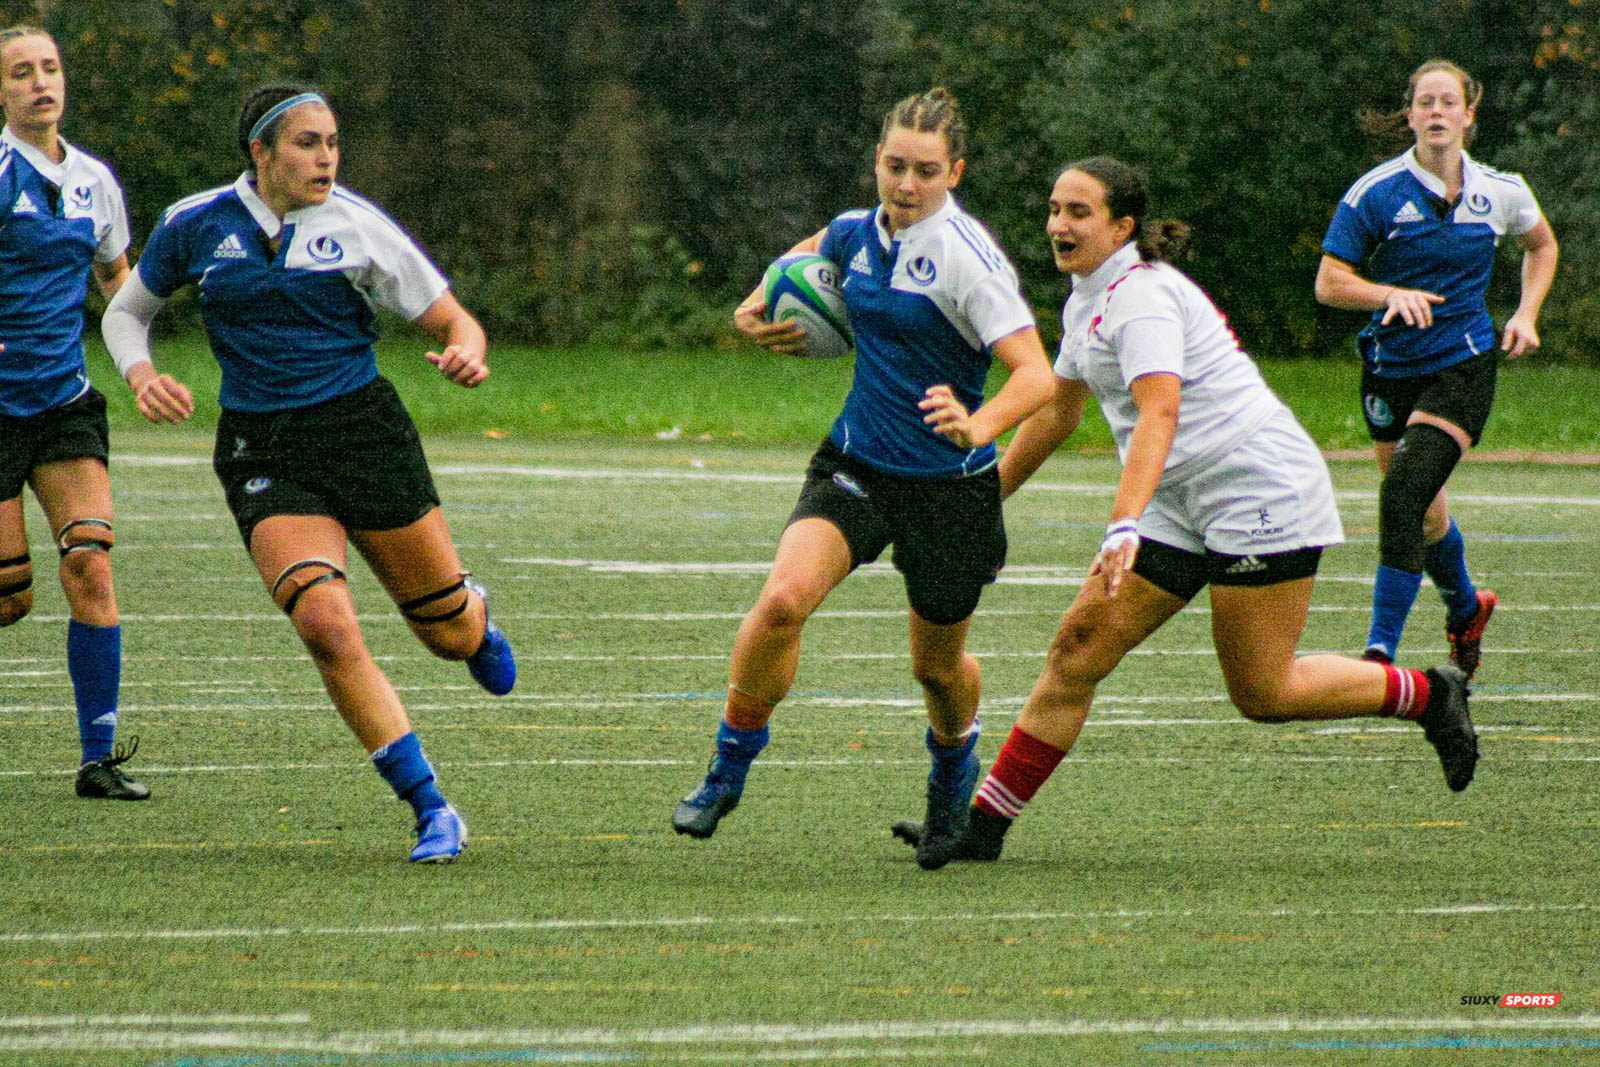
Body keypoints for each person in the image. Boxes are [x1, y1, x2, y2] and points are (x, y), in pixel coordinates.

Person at [894, 157, 1478, 871]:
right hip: (1178, 499)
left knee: (1263, 691)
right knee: (1077, 649)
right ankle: (982, 827)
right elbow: (1057, 412)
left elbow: (1159, 414)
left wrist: (1123, 523)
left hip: (1255, 489)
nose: (1057, 225)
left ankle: (1427, 693)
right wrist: (982, 495)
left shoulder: (1141, 298)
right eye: (1054, 209)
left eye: (1078, 212)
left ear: (1122, 227)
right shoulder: (1087, 299)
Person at [100, 85, 517, 863]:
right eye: (306, 143)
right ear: (260, 152)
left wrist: (467, 351)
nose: (326, 158)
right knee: (325, 624)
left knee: (447, 633)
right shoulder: (195, 224)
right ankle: (430, 806)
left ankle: (475, 617)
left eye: (332, 143)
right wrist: (141, 373)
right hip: (263, 449)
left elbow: (453, 318)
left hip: (363, 435)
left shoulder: (358, 225)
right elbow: (126, 311)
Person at [670, 88, 1055, 865]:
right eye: (894, 166)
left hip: (950, 487)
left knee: (936, 668)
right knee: (782, 600)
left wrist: (979, 423)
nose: (906, 184)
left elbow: (1036, 376)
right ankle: (726, 770)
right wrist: (756, 306)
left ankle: (952, 776)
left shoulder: (968, 258)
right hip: (857, 464)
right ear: (877, 160)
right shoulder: (855, 231)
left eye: (925, 171)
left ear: (955, 173)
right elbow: (805, 255)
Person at [1315, 59, 1558, 674]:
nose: (1437, 112)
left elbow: (1541, 244)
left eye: (1449, 102)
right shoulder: (1375, 193)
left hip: (1463, 363)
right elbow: (1329, 282)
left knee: (1402, 494)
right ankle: (1465, 607)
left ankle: (1380, 652)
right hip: (1389, 367)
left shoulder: (1501, 191)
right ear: (1410, 116)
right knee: (1424, 511)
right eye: (1426, 102)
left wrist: (1526, 313)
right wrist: (1387, 295)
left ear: (1468, 115)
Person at [0, 26, 149, 799]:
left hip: (63, 401)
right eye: (21, 72)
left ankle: (99, 758)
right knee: (10, 596)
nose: (40, 82)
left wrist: (141, 367)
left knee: (90, 561)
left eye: (49, 68)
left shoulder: (95, 180)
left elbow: (118, 283)